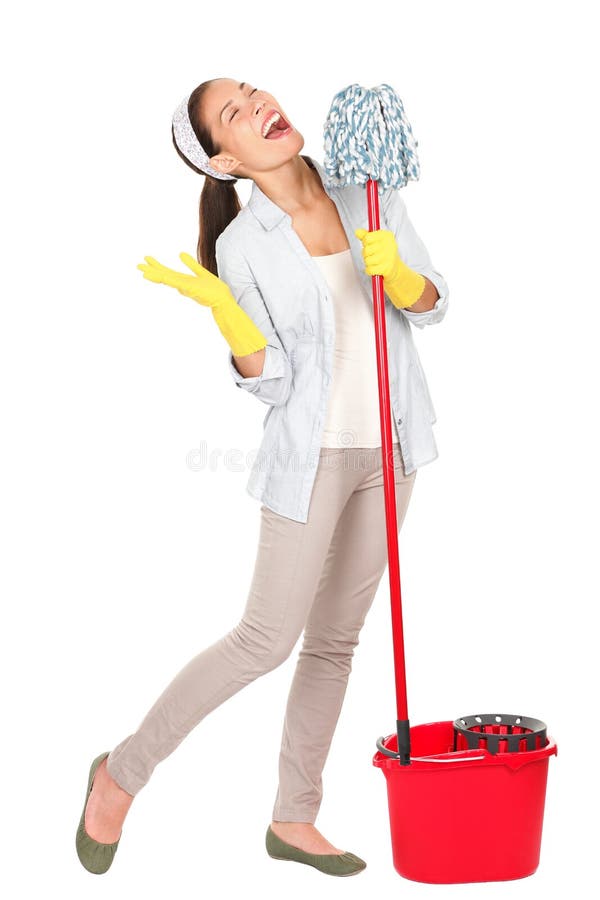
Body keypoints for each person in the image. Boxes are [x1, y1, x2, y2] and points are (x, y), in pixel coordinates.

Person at [75, 77, 449, 878]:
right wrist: (228, 314)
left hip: (392, 448)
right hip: (308, 462)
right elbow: (273, 381)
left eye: (251, 90)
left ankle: (295, 817)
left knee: (335, 643)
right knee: (262, 641)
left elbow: (432, 303)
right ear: (224, 159)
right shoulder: (244, 246)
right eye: (233, 114)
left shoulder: (365, 190)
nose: (257, 106)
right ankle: (120, 775)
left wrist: (402, 277)